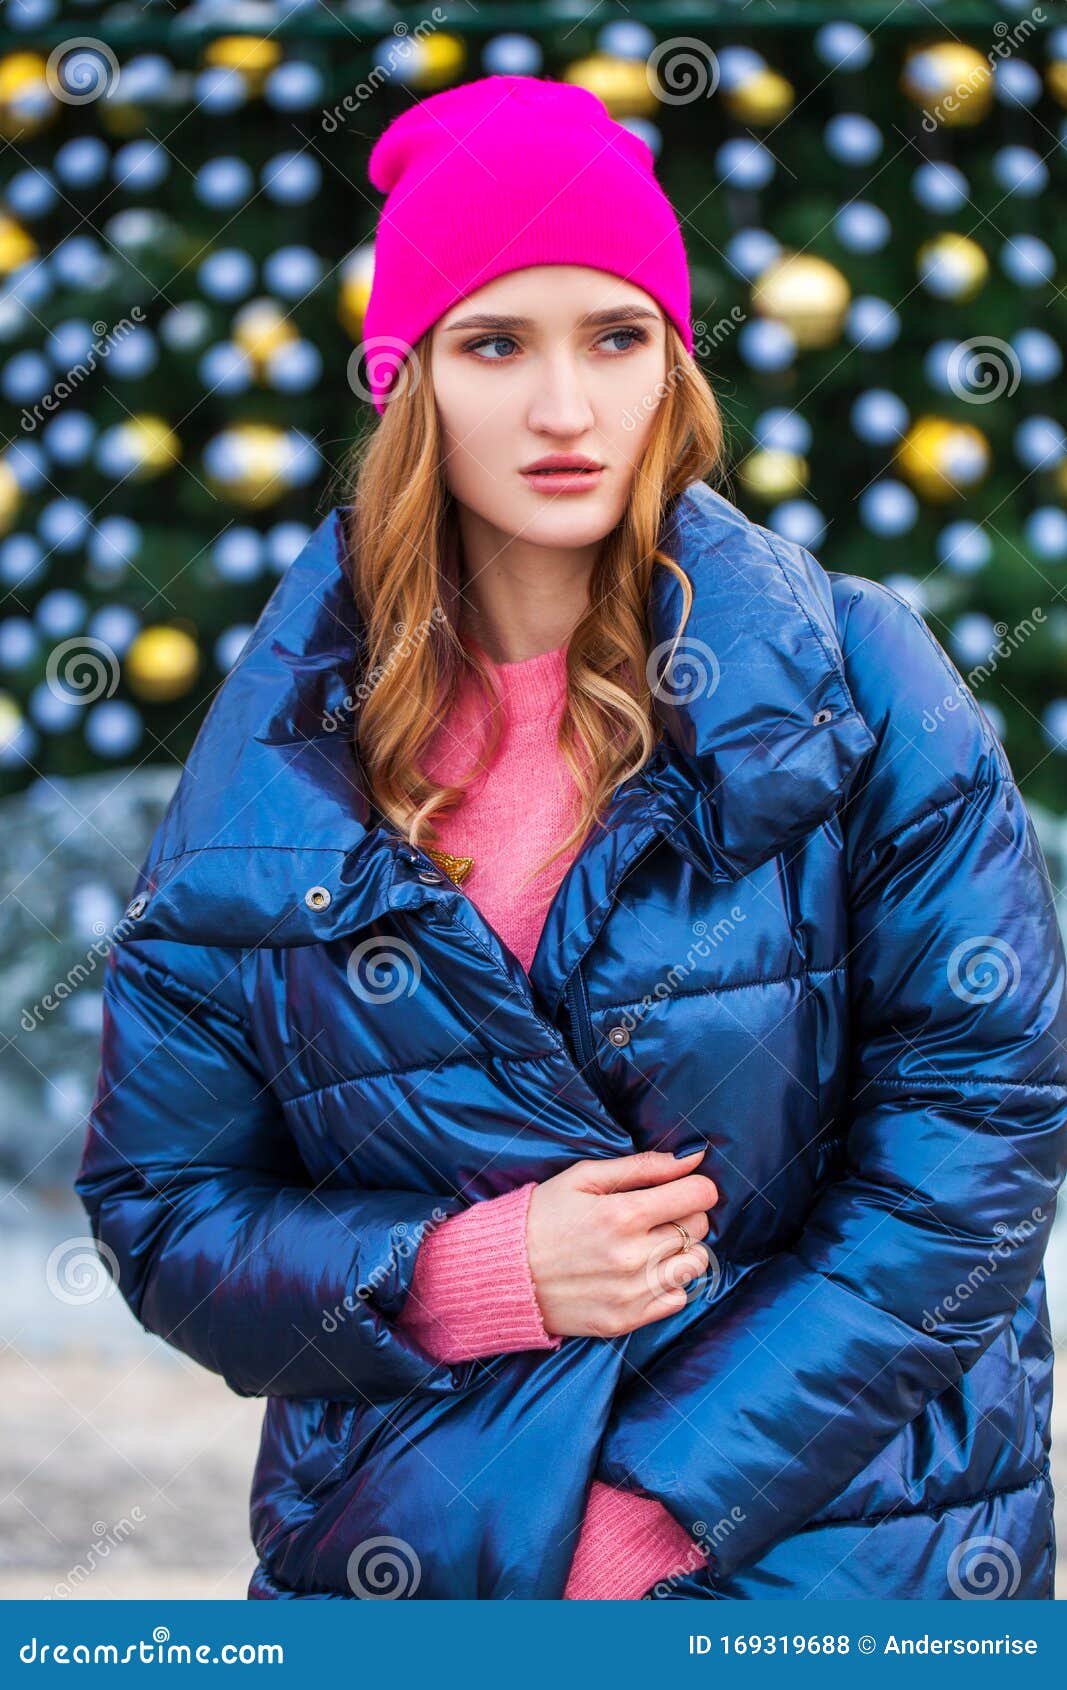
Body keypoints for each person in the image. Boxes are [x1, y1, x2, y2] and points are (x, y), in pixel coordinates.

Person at [76, 75, 1067, 1602]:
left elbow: (982, 1126)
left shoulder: (857, 678)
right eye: (495, 343)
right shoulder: (284, 763)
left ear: (673, 365)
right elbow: (168, 1209)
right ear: (404, 379)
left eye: (616, 338)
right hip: (420, 1558)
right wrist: (473, 1275)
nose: (565, 409)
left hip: (830, 1549)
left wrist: (663, 1502)